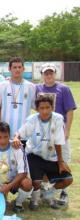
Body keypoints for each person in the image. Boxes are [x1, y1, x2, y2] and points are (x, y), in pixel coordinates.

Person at [13, 95, 73, 210]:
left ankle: (48, 194)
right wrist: (16, 138)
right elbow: (20, 133)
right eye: (42, 108)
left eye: (47, 107)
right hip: (34, 155)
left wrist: (61, 162)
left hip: (52, 156)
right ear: (37, 109)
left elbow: (58, 141)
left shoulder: (58, 119)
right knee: (36, 182)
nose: (45, 111)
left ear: (52, 107)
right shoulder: (32, 119)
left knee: (68, 179)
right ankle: (34, 199)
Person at [35, 63, 77, 205]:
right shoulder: (38, 88)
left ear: (55, 73)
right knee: (46, 160)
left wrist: (67, 130)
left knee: (62, 159)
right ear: (42, 75)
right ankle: (46, 189)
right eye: (46, 73)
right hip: (44, 132)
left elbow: (70, 111)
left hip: (60, 131)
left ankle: (63, 191)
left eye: (51, 73)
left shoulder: (63, 89)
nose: (48, 75)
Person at [0, 122, 32, 213]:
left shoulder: (18, 148)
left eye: (6, 137)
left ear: (10, 136)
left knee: (27, 183)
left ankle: (18, 203)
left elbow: (23, 172)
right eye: (0, 137)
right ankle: (0, 197)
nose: (3, 141)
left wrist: (8, 186)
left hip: (13, 181)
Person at [0, 57, 36, 139]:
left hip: (23, 132)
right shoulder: (2, 85)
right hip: (5, 132)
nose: (17, 70)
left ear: (23, 69)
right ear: (9, 69)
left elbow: (36, 107)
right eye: (15, 67)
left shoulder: (31, 86)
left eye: (19, 67)